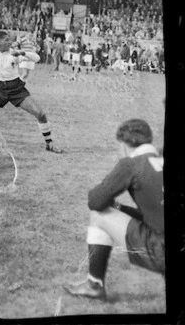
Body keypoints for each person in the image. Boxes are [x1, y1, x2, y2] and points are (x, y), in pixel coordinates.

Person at [63, 119, 164, 300]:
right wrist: (120, 208)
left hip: (161, 251)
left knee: (98, 216)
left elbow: (95, 201)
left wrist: (105, 198)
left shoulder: (131, 164)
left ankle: (94, 285)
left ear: (125, 145)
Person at [0, 28, 63, 153]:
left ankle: (49, 144)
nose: (10, 42)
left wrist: (23, 53)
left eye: (9, 39)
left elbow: (36, 58)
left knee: (40, 114)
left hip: (16, 88)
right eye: (6, 40)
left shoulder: (14, 53)